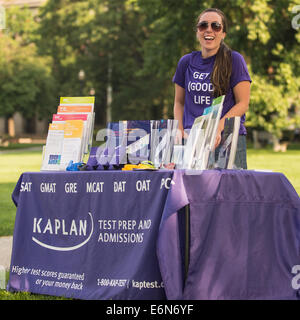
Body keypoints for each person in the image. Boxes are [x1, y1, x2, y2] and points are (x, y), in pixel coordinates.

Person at [173, 8, 251, 169]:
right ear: (197, 31)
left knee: (231, 192)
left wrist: (217, 128)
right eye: (203, 25)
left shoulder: (234, 60)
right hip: (192, 140)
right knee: (193, 192)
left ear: (223, 34)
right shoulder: (185, 62)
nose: (209, 30)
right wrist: (179, 131)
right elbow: (179, 103)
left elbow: (243, 103)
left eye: (216, 26)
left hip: (226, 139)